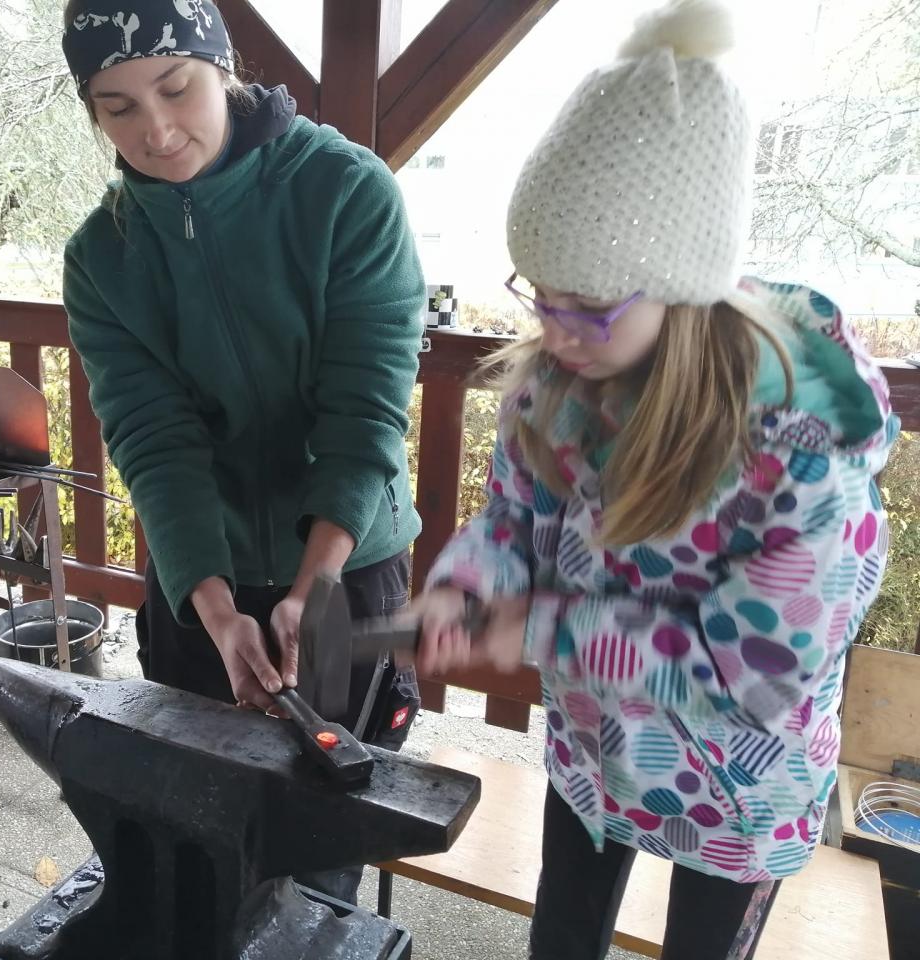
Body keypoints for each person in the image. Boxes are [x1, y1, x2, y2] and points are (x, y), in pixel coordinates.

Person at [407, 1, 898, 957]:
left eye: (588, 304)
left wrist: (540, 627)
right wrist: (470, 584)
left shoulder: (806, 452)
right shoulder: (553, 389)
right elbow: (513, 522)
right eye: (539, 292)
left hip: (741, 790)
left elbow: (754, 674)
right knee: (562, 936)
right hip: (596, 756)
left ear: (686, 287)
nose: (555, 330)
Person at [59, 0, 426, 898]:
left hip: (346, 569)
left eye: (176, 87)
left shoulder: (347, 191)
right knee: (191, 824)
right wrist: (216, 610)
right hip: (199, 575)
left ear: (223, 68)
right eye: (117, 107)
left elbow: (365, 409)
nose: (156, 130)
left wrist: (315, 582)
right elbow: (154, 439)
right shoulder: (102, 257)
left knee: (325, 827)